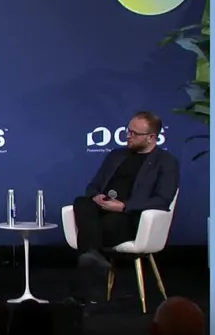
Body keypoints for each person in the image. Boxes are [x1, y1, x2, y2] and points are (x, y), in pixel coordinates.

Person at [70, 111, 180, 305]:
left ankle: (85, 289)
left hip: (131, 218)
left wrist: (124, 206)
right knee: (81, 202)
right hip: (101, 210)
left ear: (151, 137)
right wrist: (97, 196)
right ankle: (93, 256)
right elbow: (93, 186)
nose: (128, 136)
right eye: (128, 131)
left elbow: (163, 200)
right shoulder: (116, 155)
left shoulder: (166, 162)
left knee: (98, 230)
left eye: (135, 134)